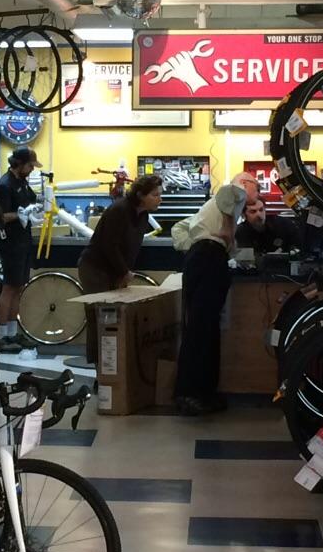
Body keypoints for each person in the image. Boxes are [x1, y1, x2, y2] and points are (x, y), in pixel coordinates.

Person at [170, 179, 250, 415]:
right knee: (201, 329)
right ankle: (189, 394)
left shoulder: (211, 208)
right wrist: (228, 228)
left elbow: (181, 229)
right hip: (208, 258)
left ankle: (203, 392)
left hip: (203, 258)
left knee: (205, 329)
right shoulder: (234, 191)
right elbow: (230, 191)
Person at [79, 174, 164, 293]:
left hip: (116, 270)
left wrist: (125, 273)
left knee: (118, 308)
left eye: (160, 195)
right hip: (96, 268)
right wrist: (124, 271)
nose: (160, 199)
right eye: (155, 195)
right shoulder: (120, 210)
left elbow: (133, 247)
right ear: (140, 195)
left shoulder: (143, 215)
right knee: (101, 308)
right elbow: (110, 245)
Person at [0, 148, 39, 344]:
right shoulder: (4, 185)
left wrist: (33, 209)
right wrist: (19, 215)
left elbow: (30, 200)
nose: (31, 170)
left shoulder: (21, 181)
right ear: (19, 163)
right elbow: (0, 216)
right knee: (9, 287)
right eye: (29, 166)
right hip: (11, 243)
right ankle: (3, 335)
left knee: (19, 286)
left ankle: (13, 332)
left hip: (24, 240)